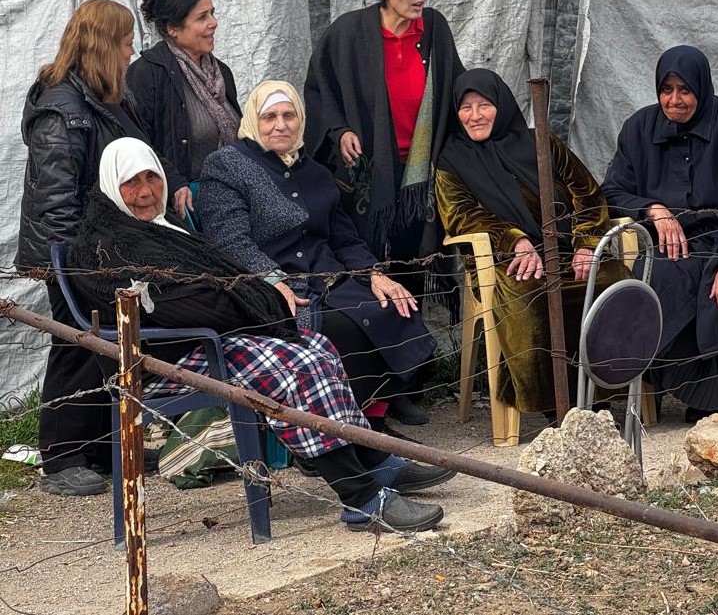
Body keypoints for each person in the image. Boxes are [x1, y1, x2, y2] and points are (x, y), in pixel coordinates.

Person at [68, 138, 455, 532]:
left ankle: (373, 462)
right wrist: (243, 302)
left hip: (208, 342)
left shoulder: (165, 231)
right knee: (295, 366)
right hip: (160, 361)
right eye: (132, 182)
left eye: (152, 177)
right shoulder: (104, 247)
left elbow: (217, 290)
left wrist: (237, 299)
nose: (147, 192)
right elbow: (178, 309)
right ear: (111, 185)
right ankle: (362, 499)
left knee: (317, 346)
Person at [197, 81, 437, 430]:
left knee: (391, 305)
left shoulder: (317, 173)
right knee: (341, 326)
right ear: (253, 120)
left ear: (301, 120)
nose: (280, 124)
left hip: (328, 277)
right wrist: (272, 280)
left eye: (288, 115)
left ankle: (372, 412)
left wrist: (374, 273)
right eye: (269, 117)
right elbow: (230, 241)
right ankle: (341, 428)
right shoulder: (227, 166)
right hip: (274, 283)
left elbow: (344, 237)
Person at [602, 45, 718, 423]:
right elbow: (612, 191)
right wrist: (652, 209)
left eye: (685, 90)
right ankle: (703, 395)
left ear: (701, 89)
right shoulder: (639, 129)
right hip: (681, 245)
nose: (675, 100)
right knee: (658, 283)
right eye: (666, 89)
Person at [435, 68, 632, 414]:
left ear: (502, 105)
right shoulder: (451, 160)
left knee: (615, 283)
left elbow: (584, 189)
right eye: (466, 108)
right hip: (507, 261)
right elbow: (461, 214)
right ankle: (552, 404)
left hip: (569, 252)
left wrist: (586, 242)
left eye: (484, 105)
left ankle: (609, 388)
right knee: (528, 295)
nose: (475, 116)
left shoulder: (539, 141)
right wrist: (514, 241)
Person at [15, 0, 151, 496]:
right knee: (76, 344)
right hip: (70, 253)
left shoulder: (102, 96)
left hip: (104, 249)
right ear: (103, 43)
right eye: (125, 39)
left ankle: (100, 447)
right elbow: (57, 202)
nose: (131, 49)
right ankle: (61, 456)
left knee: (104, 346)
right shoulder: (63, 108)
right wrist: (79, 266)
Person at [303, 0, 464, 262]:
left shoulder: (434, 28)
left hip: (421, 168)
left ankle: (412, 307)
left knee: (414, 255)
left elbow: (456, 84)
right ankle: (373, 307)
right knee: (367, 252)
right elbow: (320, 87)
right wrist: (339, 129)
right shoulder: (349, 32)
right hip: (370, 166)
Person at [126, 0, 241, 224]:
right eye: (202, 17)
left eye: (212, 13)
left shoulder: (221, 72)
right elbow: (137, 144)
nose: (214, 23)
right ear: (173, 29)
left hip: (231, 192)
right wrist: (174, 181)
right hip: (185, 203)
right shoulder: (147, 74)